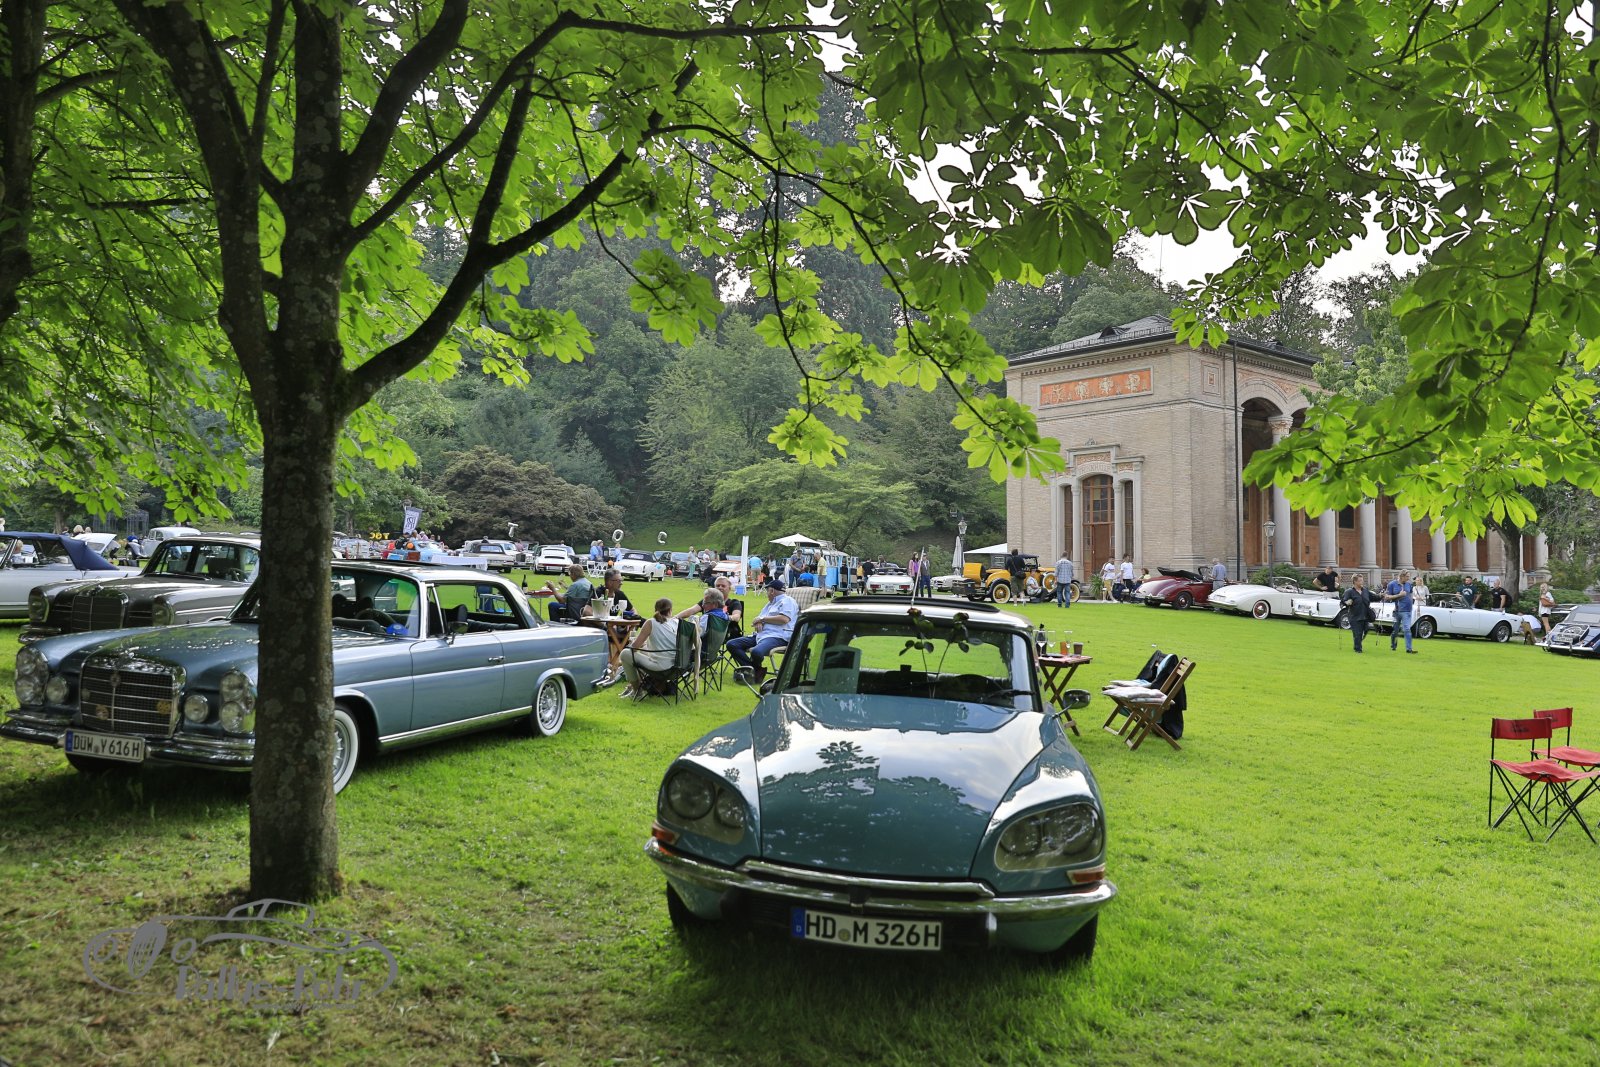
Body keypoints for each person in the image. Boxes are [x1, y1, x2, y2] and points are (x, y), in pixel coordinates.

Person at [727, 579, 797, 686]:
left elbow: (784, 619)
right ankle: (755, 670)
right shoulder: (769, 604)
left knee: (756, 652)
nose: (766, 594)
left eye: (767, 591)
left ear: (772, 591)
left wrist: (762, 619)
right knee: (732, 644)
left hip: (778, 636)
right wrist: (758, 623)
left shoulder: (787, 601)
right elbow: (757, 620)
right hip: (761, 635)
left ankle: (752, 672)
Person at [614, 598, 680, 697]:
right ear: (670, 610)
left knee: (625, 654)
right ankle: (635, 686)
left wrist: (632, 645)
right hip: (676, 667)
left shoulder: (651, 622)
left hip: (661, 667)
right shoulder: (676, 622)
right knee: (643, 651)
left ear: (655, 610)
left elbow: (634, 647)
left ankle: (637, 690)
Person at [1341, 572, 1379, 653]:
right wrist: (1347, 602)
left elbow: (1374, 597)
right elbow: (1343, 601)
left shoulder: (1365, 591)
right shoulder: (1349, 592)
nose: (1362, 582)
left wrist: (1382, 595)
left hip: (1365, 616)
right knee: (1357, 633)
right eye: (1360, 580)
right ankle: (1358, 649)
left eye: (1362, 580)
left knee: (1365, 630)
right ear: (1355, 582)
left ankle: (1357, 642)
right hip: (1354, 616)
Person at [1384, 569, 1418, 653]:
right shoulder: (1392, 584)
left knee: (1407, 629)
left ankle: (1409, 649)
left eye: (1409, 576)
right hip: (1397, 611)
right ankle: (1393, 645)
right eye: (1407, 576)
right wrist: (1399, 595)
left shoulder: (1409, 584)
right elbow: (1387, 597)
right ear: (1401, 576)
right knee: (1395, 631)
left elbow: (1410, 594)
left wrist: (1411, 603)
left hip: (1407, 611)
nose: (1408, 578)